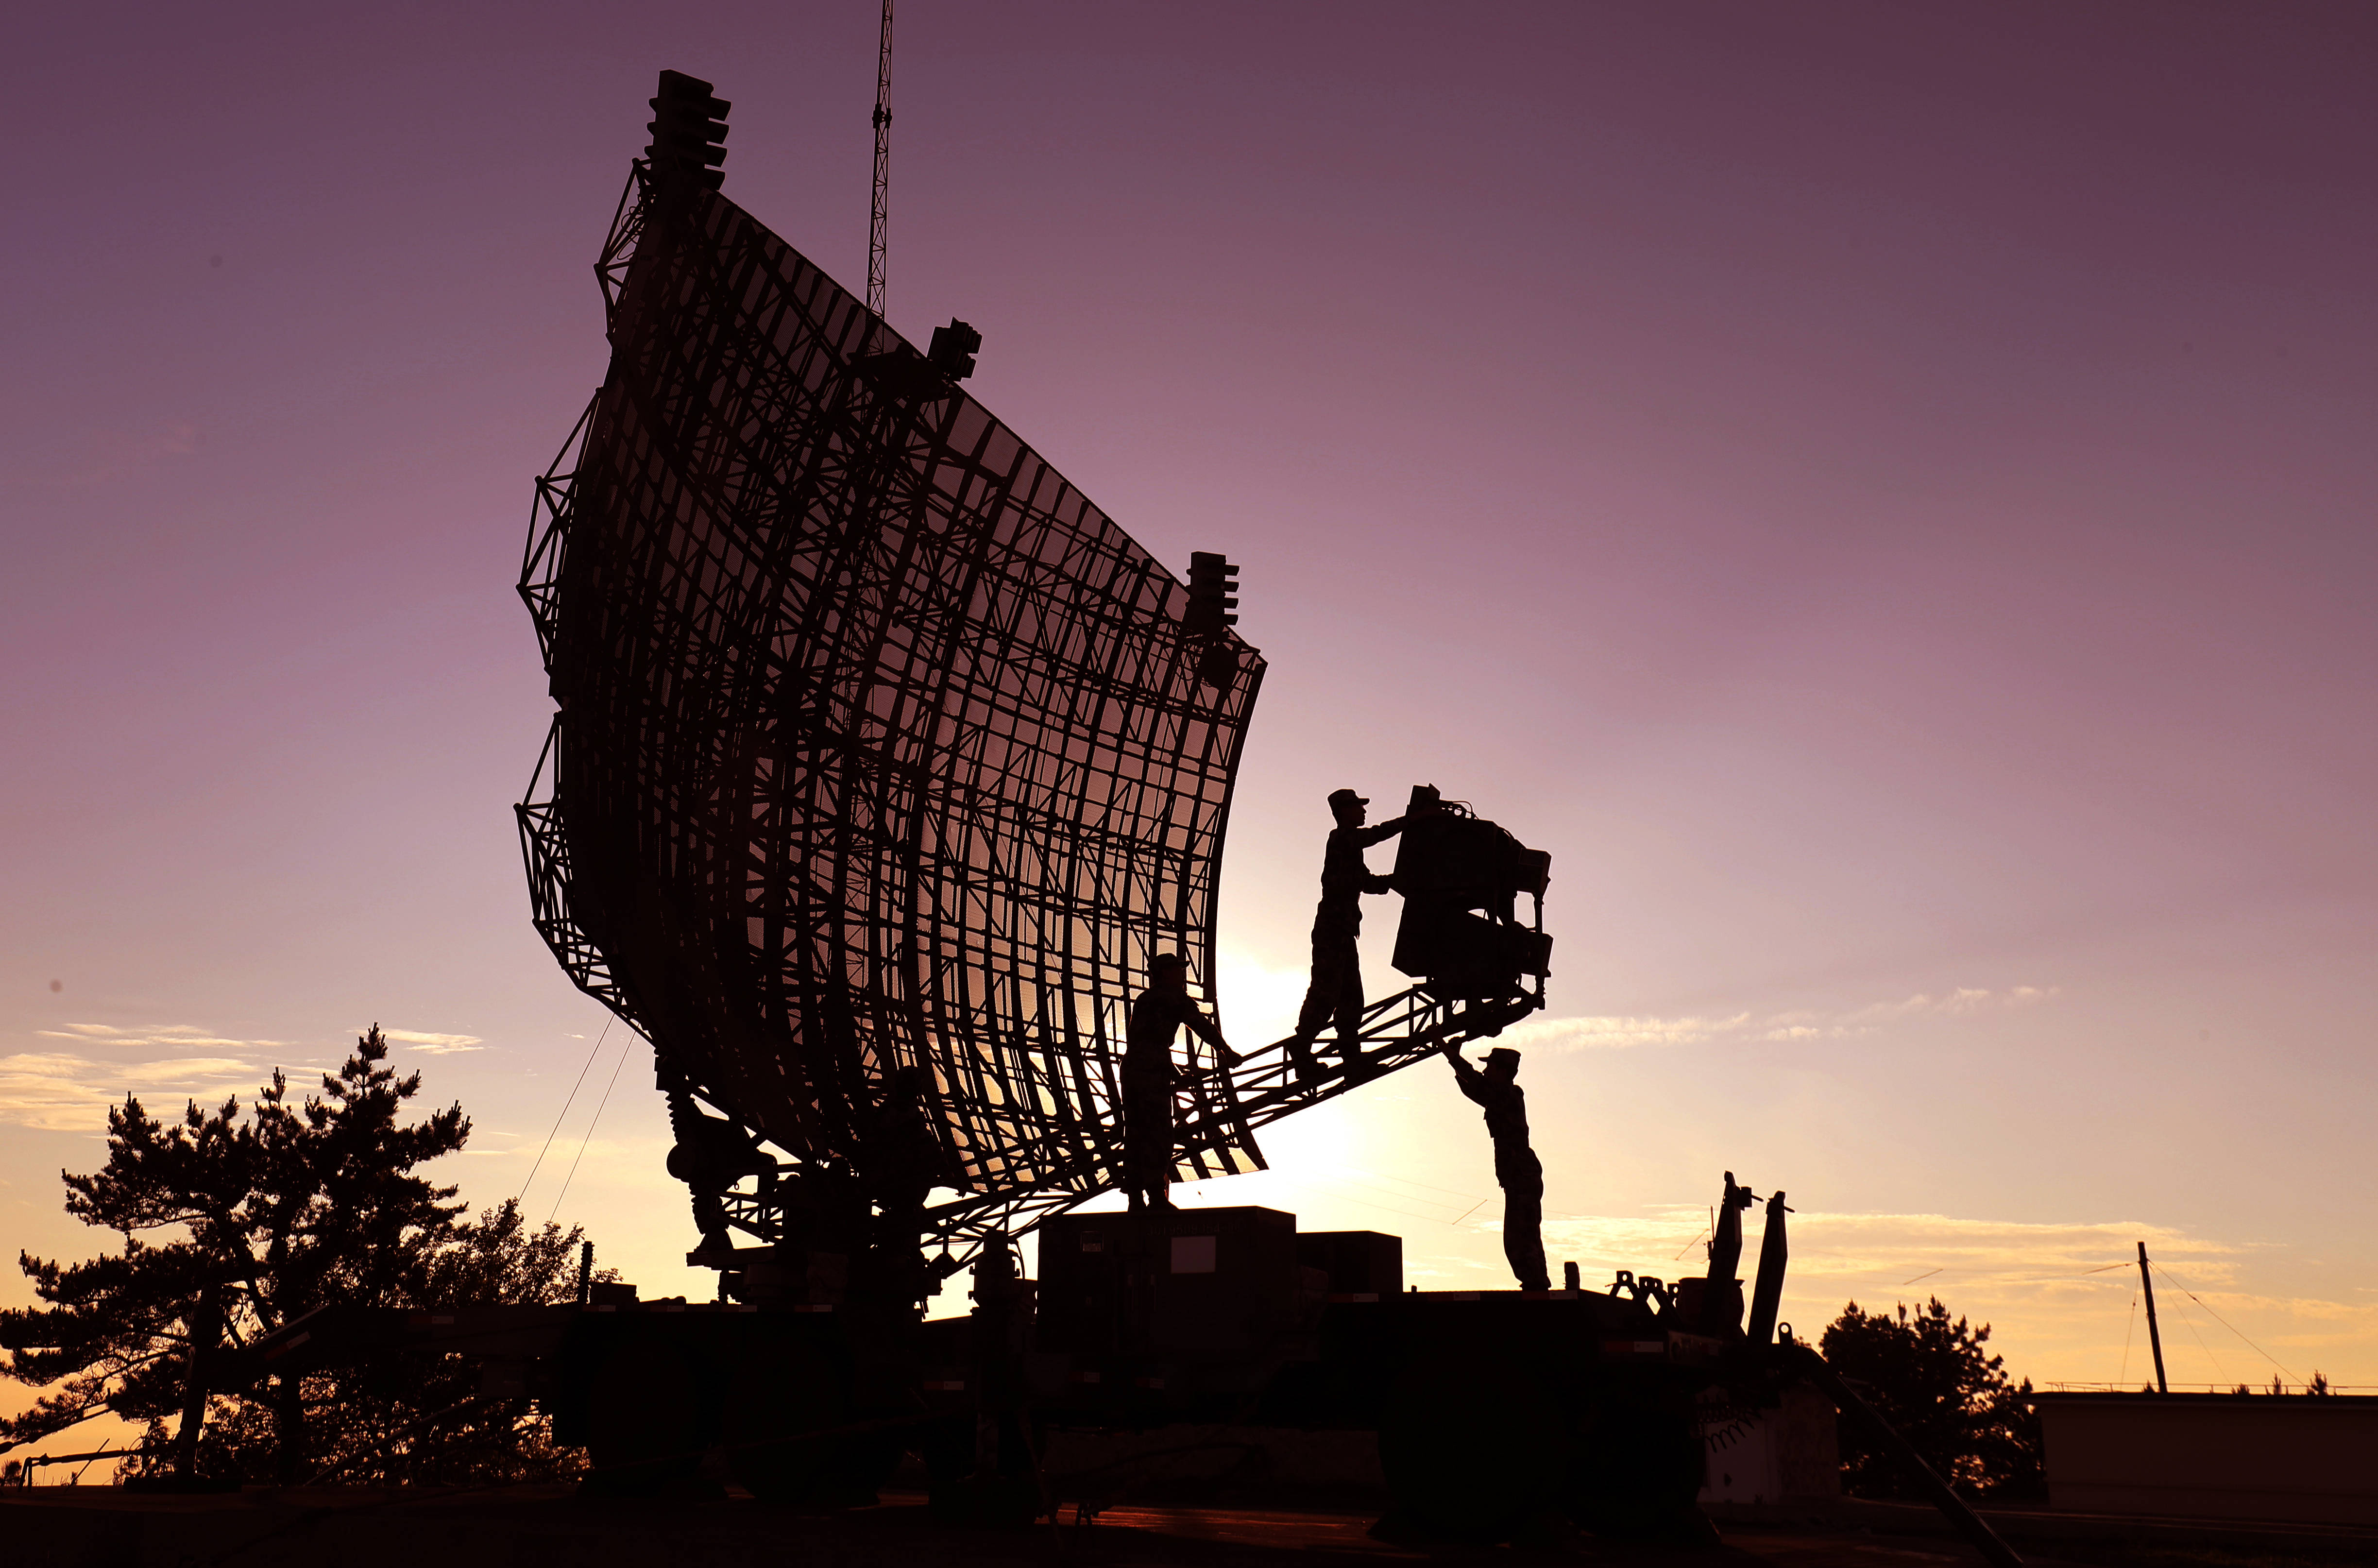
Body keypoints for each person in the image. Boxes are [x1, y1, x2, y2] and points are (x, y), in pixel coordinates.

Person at [1291, 788, 1407, 1077]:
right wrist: (1412, 820)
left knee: (1351, 998)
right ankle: (1302, 1050)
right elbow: (1374, 835)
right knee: (1326, 992)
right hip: (1333, 929)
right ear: (1344, 811)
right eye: (1359, 808)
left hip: (1342, 931)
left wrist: (1395, 881)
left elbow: (1366, 882)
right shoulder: (1342, 838)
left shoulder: (1349, 848)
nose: (1364, 813)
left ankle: (1351, 1058)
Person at [1121, 953, 1239, 1212]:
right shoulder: (1173, 998)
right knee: (1158, 1132)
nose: (1182, 975)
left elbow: (1144, 1043)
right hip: (1150, 1071)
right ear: (1164, 974)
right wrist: (1226, 1051)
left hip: (1133, 1070)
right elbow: (1200, 1026)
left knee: (1138, 1132)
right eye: (1177, 970)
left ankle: (1136, 1200)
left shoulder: (1145, 999)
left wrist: (1174, 1074)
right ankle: (1155, 1197)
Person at [1443, 1042, 1551, 1291]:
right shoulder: (1500, 1096)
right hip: (1519, 1176)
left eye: (1490, 1067)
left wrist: (1450, 1054)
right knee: (1521, 1235)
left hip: (1522, 1175)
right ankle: (1535, 1282)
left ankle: (1535, 1283)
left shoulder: (1509, 1095)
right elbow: (1474, 1089)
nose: (1486, 1071)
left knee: (1521, 1236)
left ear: (1502, 1071)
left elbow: (1478, 1087)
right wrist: (1454, 1060)